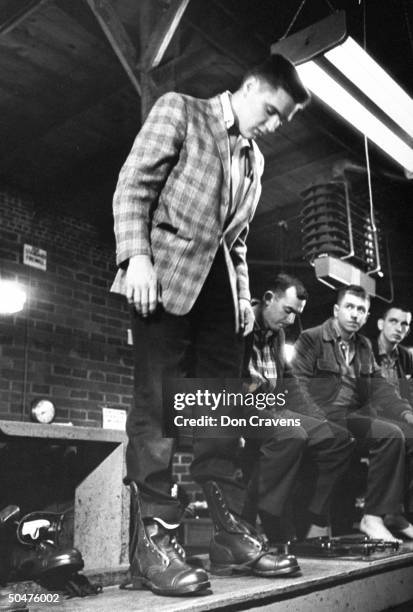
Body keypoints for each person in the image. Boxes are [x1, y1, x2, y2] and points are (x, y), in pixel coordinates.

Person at [111, 55, 310, 595]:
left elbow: (237, 241)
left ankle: (227, 535)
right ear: (248, 88)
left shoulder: (255, 161)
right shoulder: (181, 111)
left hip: (222, 298)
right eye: (270, 111)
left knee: (217, 410)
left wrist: (243, 298)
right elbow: (133, 185)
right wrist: (136, 258)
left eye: (281, 121)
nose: (272, 126)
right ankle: (153, 542)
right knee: (158, 407)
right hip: (165, 280)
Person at [291, 285, 413, 542]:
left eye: (361, 309)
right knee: (387, 434)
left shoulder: (364, 346)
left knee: (404, 434)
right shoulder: (311, 338)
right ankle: (374, 517)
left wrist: (406, 413)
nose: (355, 314)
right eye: (350, 307)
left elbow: (382, 388)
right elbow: (297, 387)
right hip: (323, 415)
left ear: (367, 316)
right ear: (337, 310)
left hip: (352, 415)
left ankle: (388, 514)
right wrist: (320, 422)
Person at [241, 274, 354, 542]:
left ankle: (311, 516)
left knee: (339, 439)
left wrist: (319, 422)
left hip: (273, 410)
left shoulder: (278, 335)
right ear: (269, 299)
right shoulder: (241, 325)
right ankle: (266, 513)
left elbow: (291, 386)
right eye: (288, 310)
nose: (291, 321)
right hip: (242, 410)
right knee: (293, 434)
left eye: (296, 314)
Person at [372, 306, 413, 526]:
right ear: (381, 323)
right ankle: (388, 512)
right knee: (401, 435)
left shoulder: (405, 356)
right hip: (373, 416)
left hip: (398, 415)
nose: (399, 328)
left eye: (404, 324)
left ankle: (401, 513)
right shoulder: (366, 348)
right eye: (393, 321)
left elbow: (409, 393)